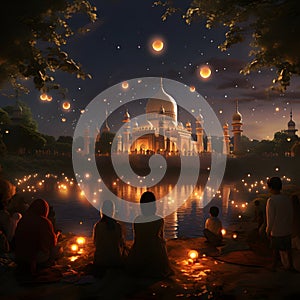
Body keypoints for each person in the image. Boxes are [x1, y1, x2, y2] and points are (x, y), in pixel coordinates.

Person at [127, 191, 173, 278]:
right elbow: (162, 239)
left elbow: (137, 239)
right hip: (155, 253)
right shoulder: (159, 220)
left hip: (140, 252)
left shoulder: (137, 220)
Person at [14, 198, 61, 275]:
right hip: (35, 258)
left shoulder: (23, 219)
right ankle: (45, 264)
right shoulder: (44, 222)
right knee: (57, 249)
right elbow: (51, 244)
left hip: (19, 256)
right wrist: (56, 236)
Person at [266, 177, 294, 271]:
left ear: (270, 187)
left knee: (276, 249)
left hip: (276, 230)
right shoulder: (286, 199)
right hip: (287, 229)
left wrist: (268, 230)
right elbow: (291, 213)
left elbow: (270, 217)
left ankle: (274, 265)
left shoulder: (271, 200)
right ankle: (290, 265)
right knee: (288, 248)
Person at [93, 200, 127, 274]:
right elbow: (121, 243)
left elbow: (95, 243)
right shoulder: (117, 226)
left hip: (100, 262)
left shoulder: (98, 226)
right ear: (112, 211)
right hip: (115, 261)